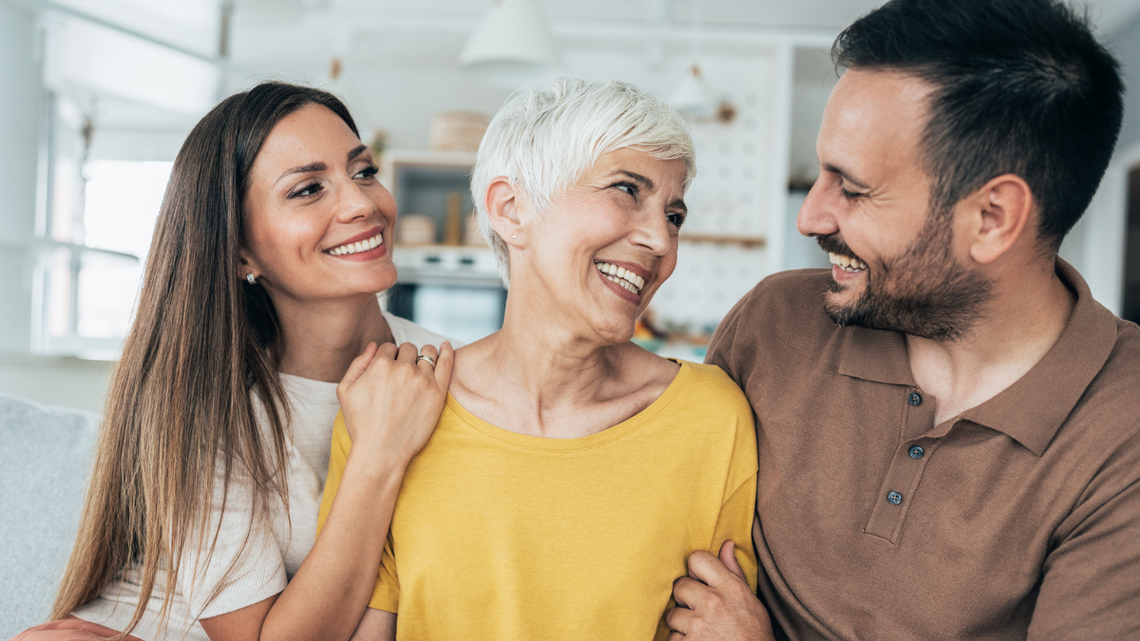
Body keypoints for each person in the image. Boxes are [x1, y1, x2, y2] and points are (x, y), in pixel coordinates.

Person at [665, 0, 1140, 639]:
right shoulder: (772, 323)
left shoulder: (1125, 432)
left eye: (852, 187)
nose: (810, 217)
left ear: (992, 219)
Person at [319, 77, 759, 641]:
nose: (661, 240)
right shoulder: (394, 410)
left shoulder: (712, 419)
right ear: (511, 210)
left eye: (674, 216)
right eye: (626, 189)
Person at [13, 82, 454, 641]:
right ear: (242, 251)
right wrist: (377, 455)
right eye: (308, 189)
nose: (363, 203)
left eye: (363, 171)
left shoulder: (448, 371)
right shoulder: (204, 402)